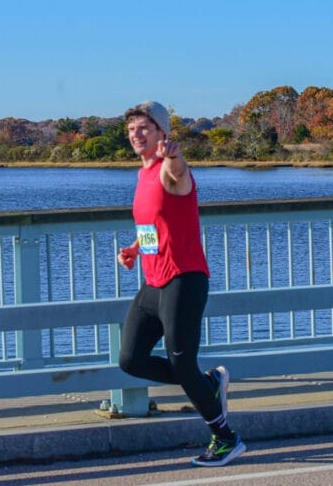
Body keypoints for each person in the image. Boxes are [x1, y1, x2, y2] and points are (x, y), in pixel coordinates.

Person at [116, 100, 246, 467]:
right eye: (131, 130)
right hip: (153, 282)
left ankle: (225, 437)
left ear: (162, 133)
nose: (136, 135)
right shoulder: (142, 176)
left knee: (182, 362)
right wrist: (133, 249)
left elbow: (180, 174)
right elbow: (154, 227)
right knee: (130, 359)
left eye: (144, 128)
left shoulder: (169, 171)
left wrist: (174, 156)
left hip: (184, 280)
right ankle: (209, 386)